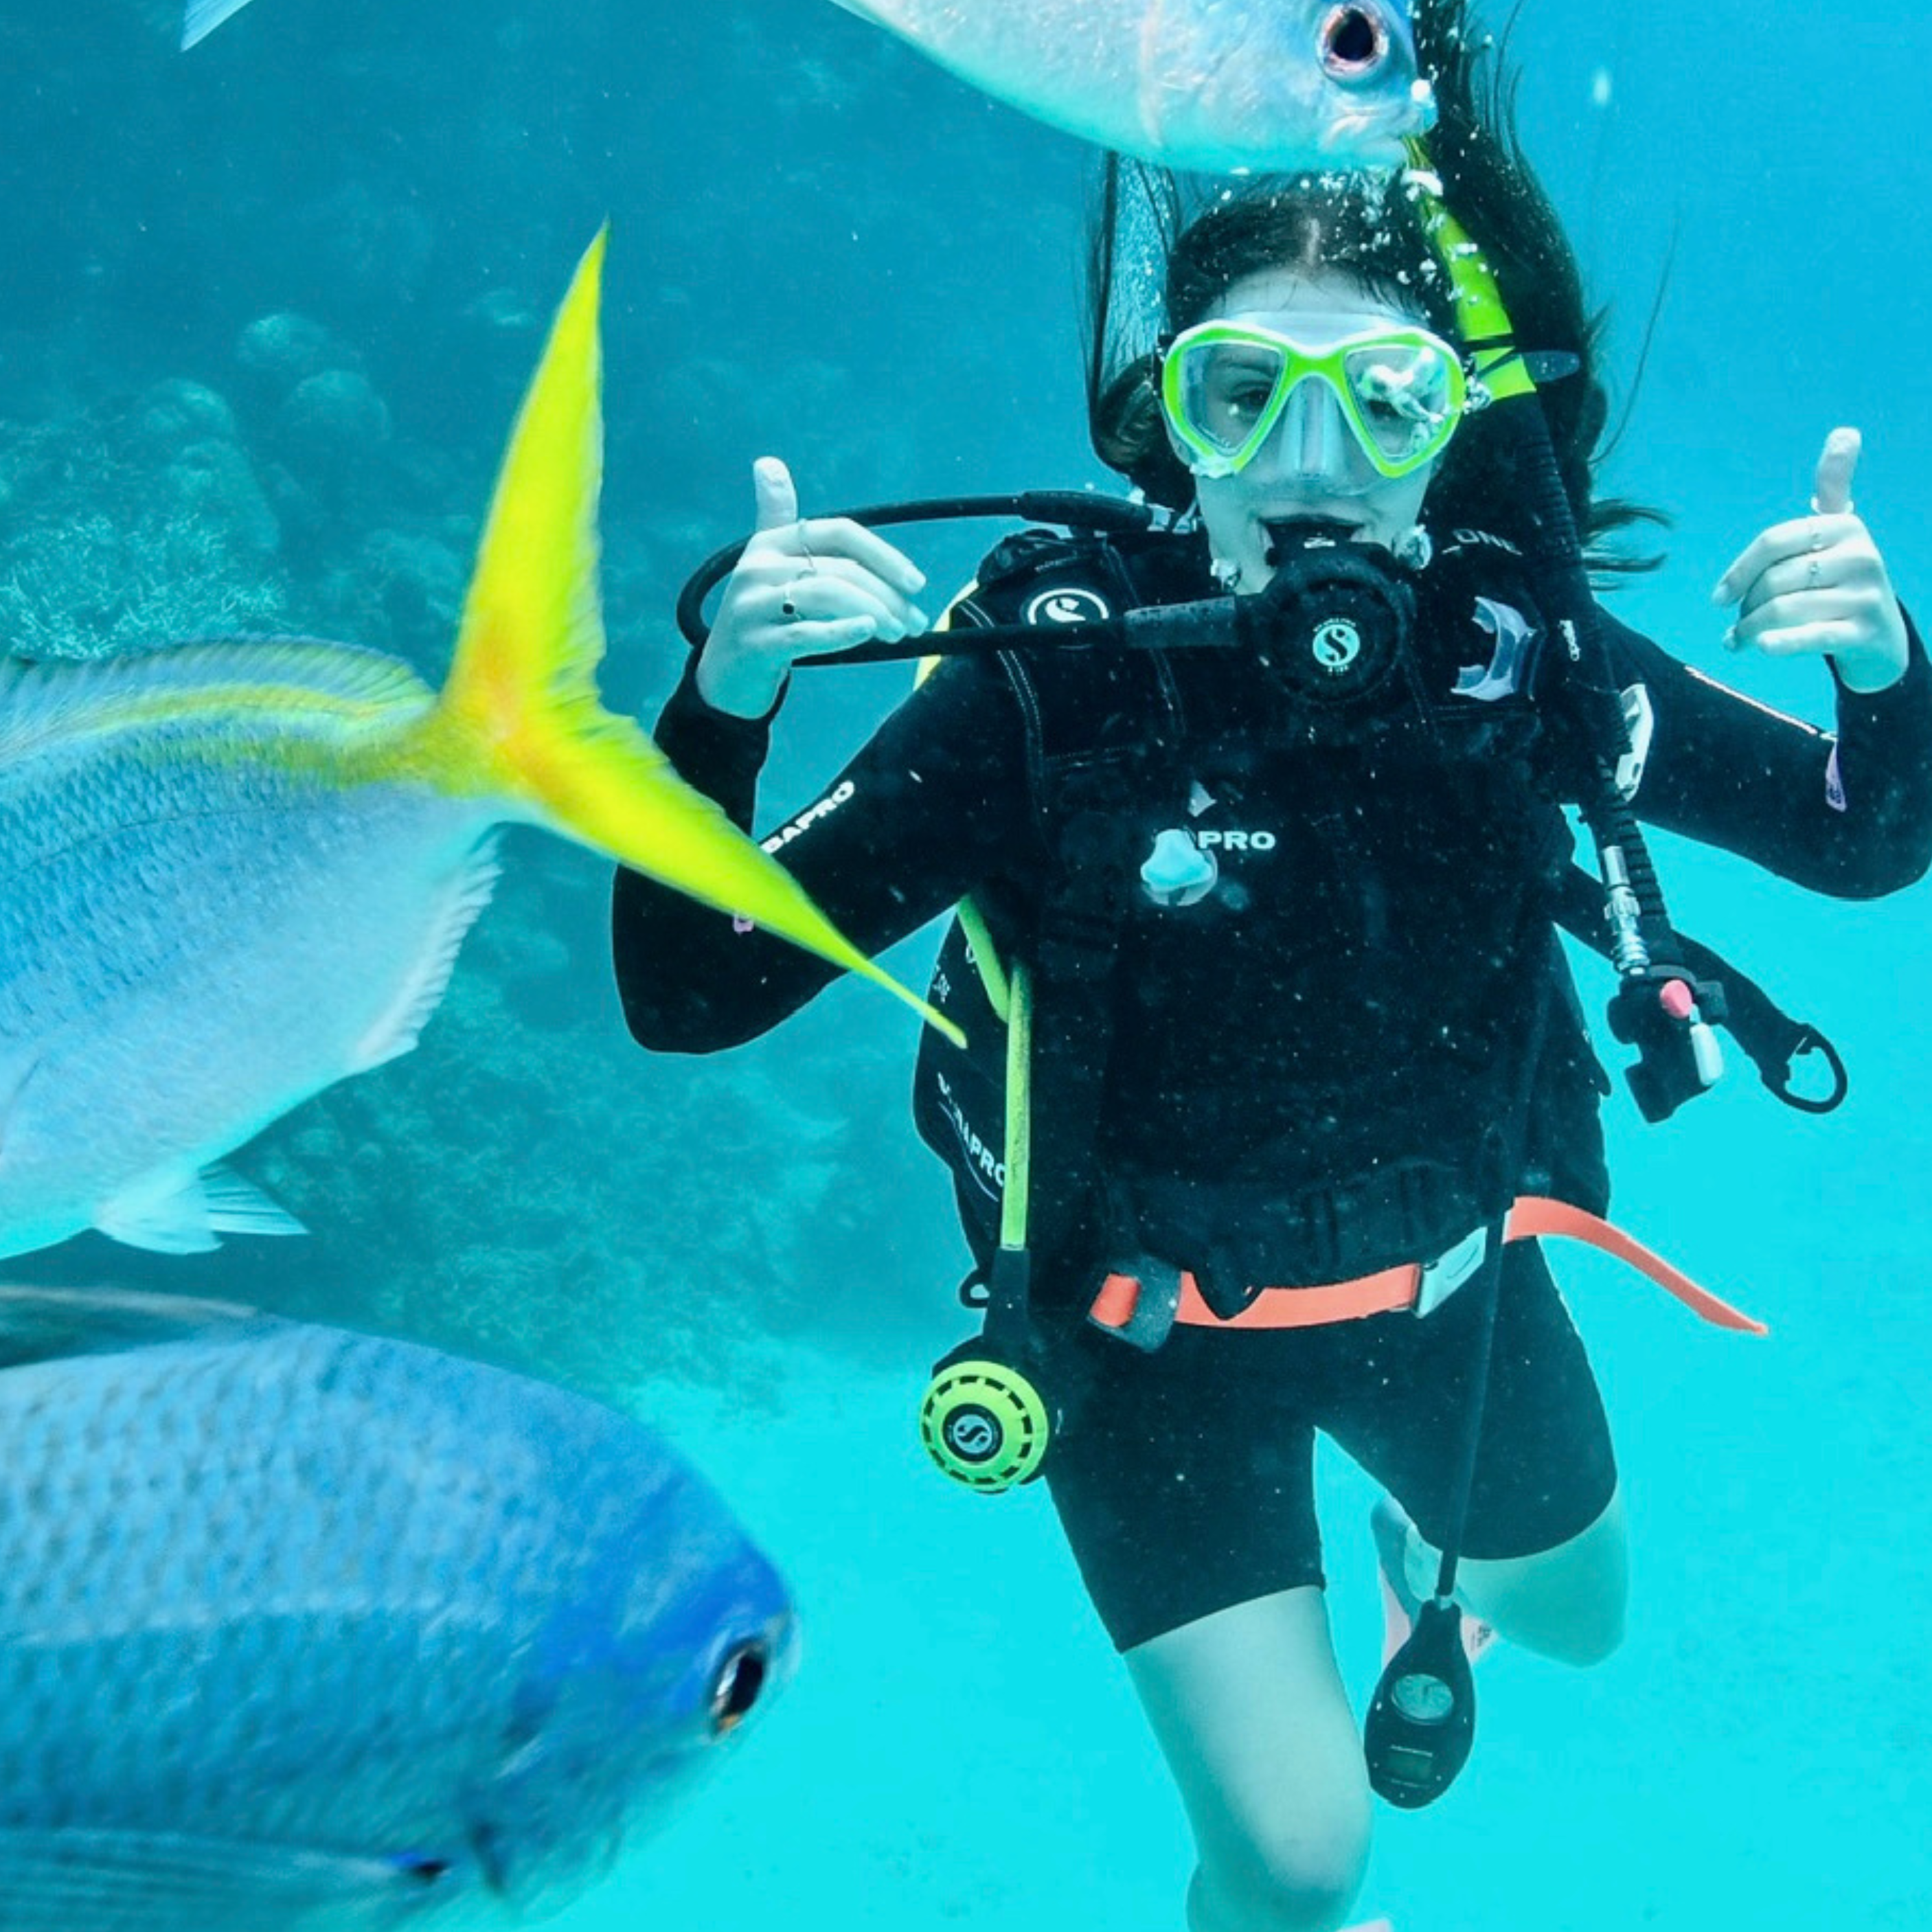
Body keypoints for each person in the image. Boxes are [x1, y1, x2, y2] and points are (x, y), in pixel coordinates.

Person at [610, 34, 1931, 1932]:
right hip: (1141, 1346)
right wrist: (717, 712)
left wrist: (1883, 672)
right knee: (1302, 1860)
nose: (1309, 469)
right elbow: (695, 989)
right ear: (1171, 421)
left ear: (1444, 422)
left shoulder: (1514, 652)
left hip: (1455, 1296)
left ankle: (1428, 1547)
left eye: (1377, 403)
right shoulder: (1046, 686)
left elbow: (1854, 835)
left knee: (1580, 1621)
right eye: (1245, 394)